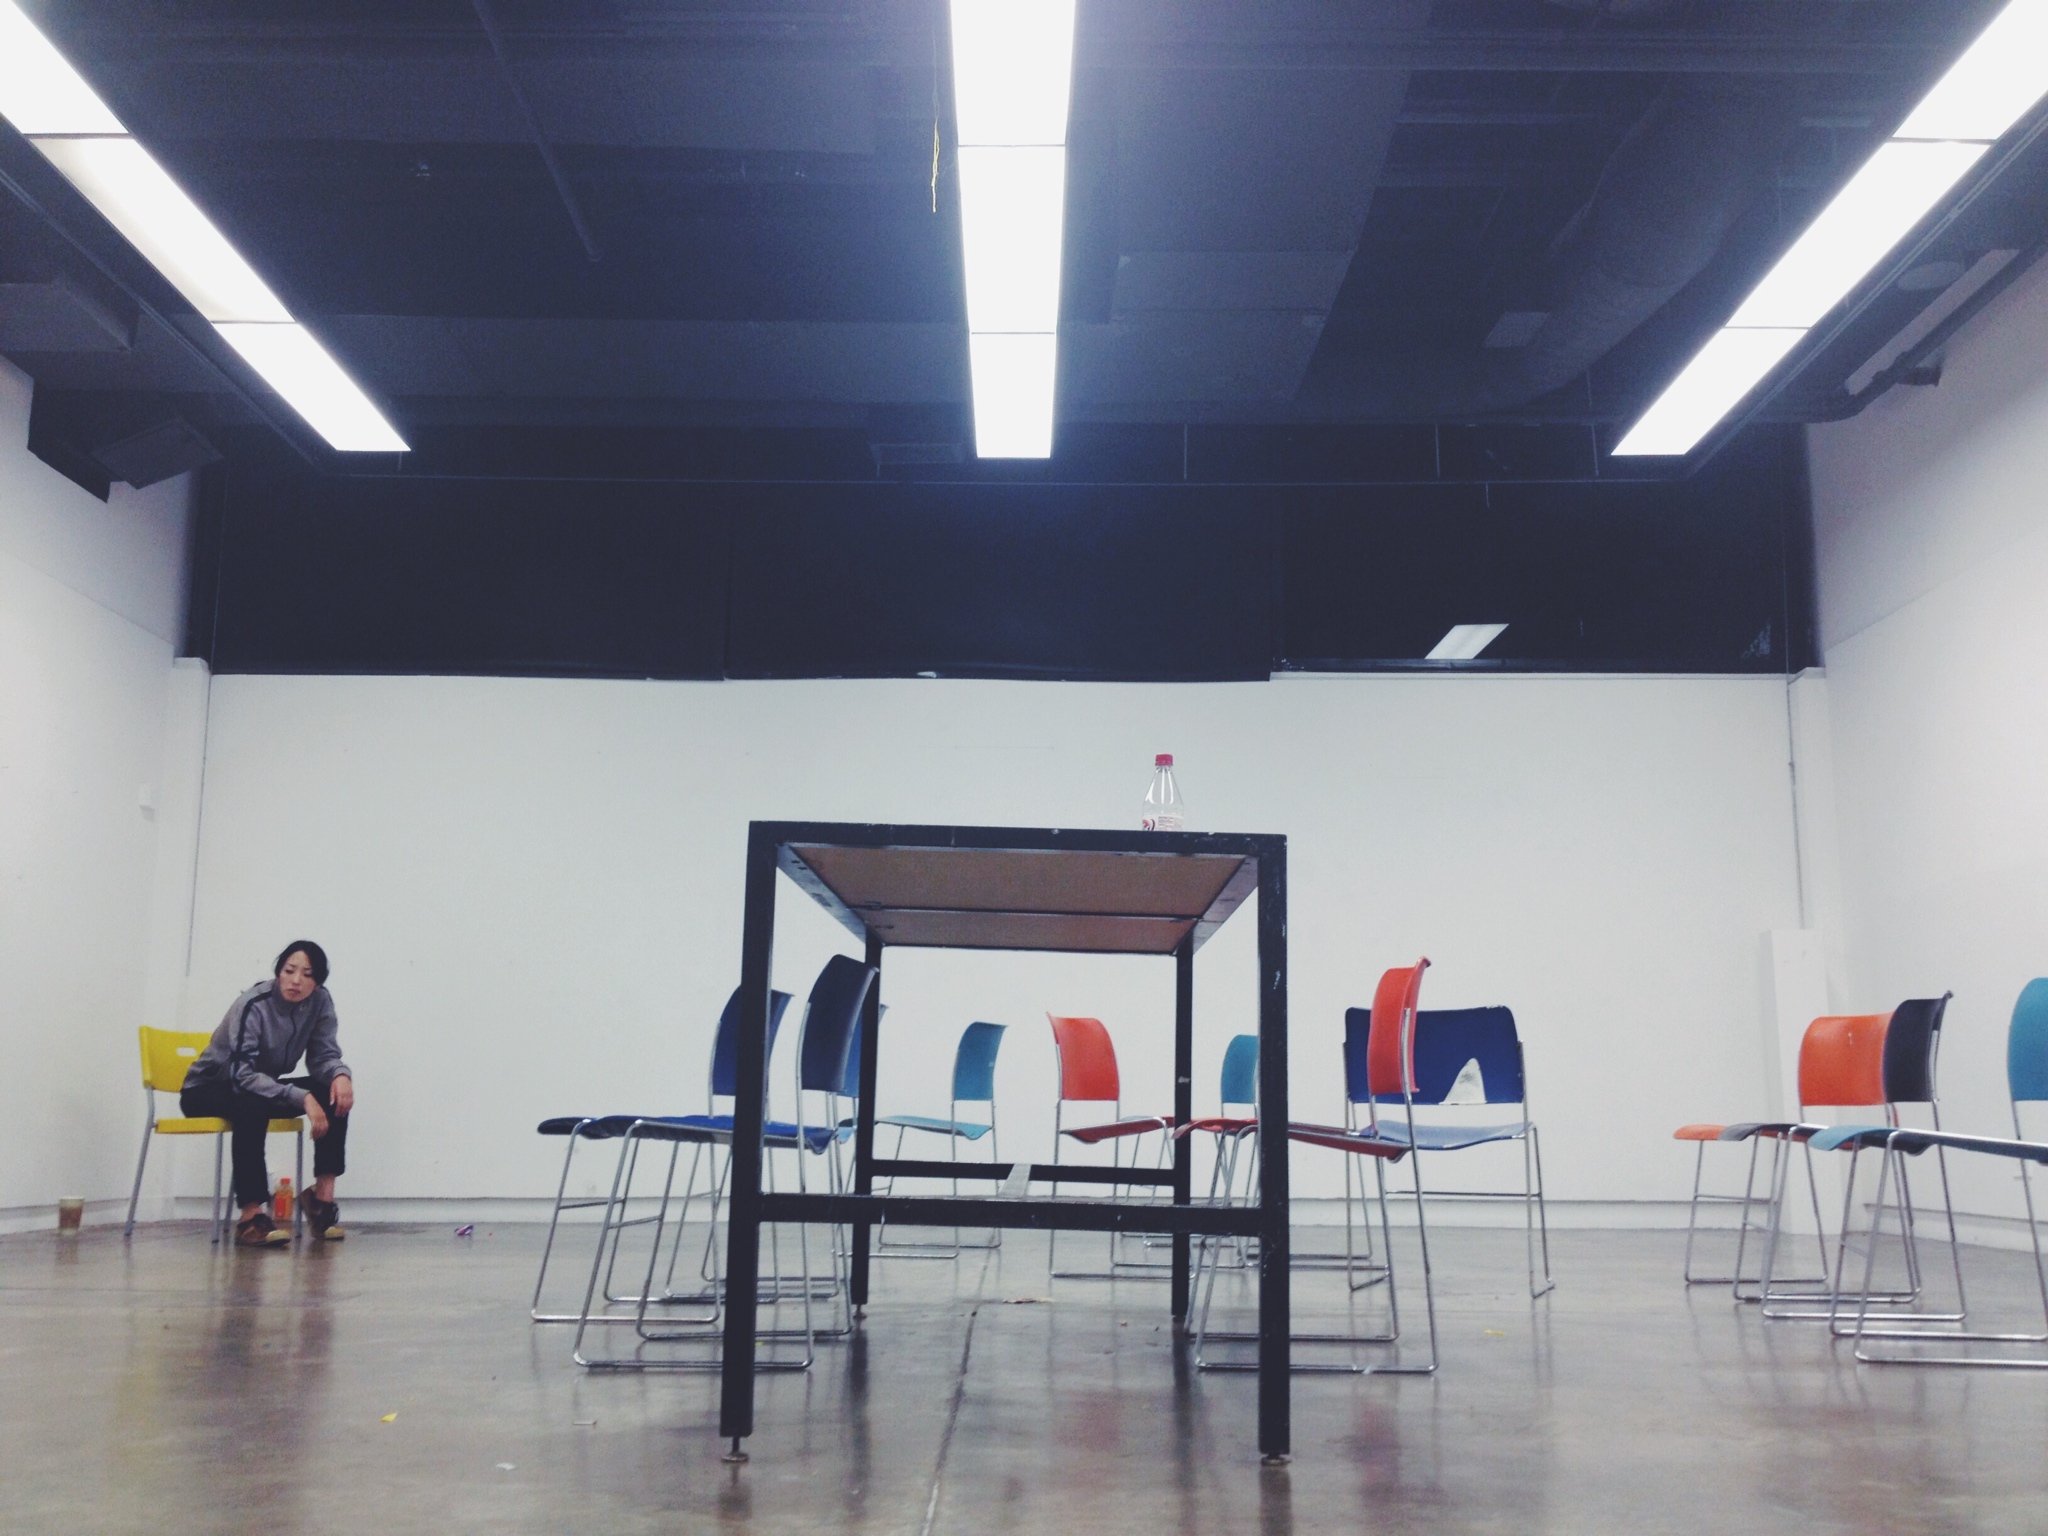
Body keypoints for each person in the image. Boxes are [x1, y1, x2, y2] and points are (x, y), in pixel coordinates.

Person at [181, 941, 354, 1248]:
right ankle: (251, 1218)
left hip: (259, 1088)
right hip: (206, 1089)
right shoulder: (253, 1004)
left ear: (317, 983)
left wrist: (340, 1075)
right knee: (252, 1104)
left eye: (307, 974)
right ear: (278, 972)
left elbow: (323, 1056)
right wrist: (302, 1098)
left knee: (330, 1092)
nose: (296, 980)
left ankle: (321, 1202)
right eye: (289, 971)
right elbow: (242, 1075)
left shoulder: (320, 1002)